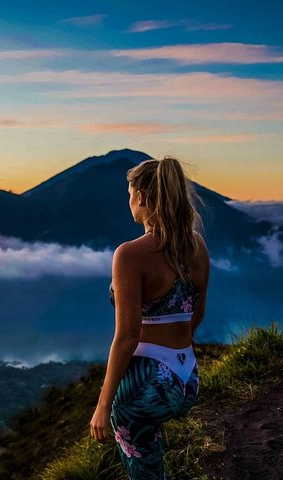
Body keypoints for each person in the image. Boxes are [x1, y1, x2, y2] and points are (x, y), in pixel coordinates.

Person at [89, 156, 209, 480]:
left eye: (129, 194)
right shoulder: (196, 245)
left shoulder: (129, 254)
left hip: (151, 381)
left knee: (145, 474)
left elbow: (126, 337)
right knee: (152, 463)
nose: (128, 201)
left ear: (140, 197)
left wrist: (104, 404)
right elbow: (196, 313)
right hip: (187, 378)